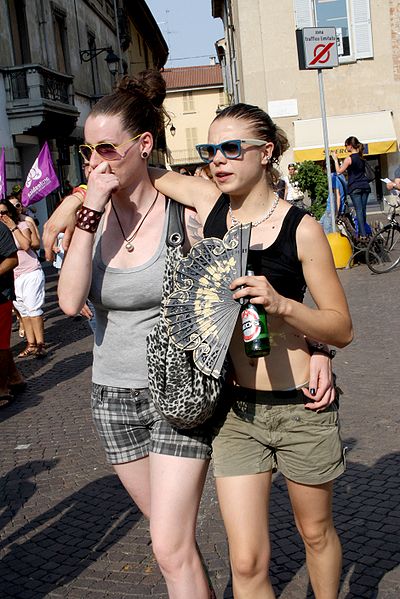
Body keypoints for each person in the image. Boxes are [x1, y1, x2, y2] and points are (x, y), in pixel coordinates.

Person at [44, 70, 336, 599]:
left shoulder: (186, 201)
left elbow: (262, 254)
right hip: (112, 395)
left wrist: (315, 345)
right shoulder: (89, 212)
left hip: (179, 392)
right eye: (86, 152)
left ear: (143, 145)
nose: (94, 163)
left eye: (107, 149)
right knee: (172, 543)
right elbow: (68, 302)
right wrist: (84, 206)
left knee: (166, 544)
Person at [147, 102, 353, 599]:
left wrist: (281, 304)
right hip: (238, 413)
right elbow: (146, 169)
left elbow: (341, 325)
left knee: (314, 533)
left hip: (301, 406)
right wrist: (85, 194)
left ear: (266, 153)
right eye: (210, 150)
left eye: (232, 148)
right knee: (244, 558)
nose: (218, 159)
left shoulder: (299, 228)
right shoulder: (210, 205)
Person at [0, 199, 46, 358]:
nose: (1, 216)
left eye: (4, 212)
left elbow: (26, 245)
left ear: (11, 213)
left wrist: (13, 227)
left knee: (34, 309)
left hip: (30, 272)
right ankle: (31, 344)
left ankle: (40, 344)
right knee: (23, 311)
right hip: (14, 275)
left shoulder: (21, 226)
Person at [0, 216, 26, 407]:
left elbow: (12, 259)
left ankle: (2, 388)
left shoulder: (0, 229)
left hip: (0, 295)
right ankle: (15, 377)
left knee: (0, 343)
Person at [331, 136, 371, 240]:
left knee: (358, 211)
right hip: (365, 186)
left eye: (346, 145)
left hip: (355, 187)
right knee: (363, 210)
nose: (345, 147)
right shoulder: (362, 158)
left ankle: (363, 235)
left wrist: (335, 159)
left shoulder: (349, 159)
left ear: (350, 145)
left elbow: (339, 171)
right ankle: (365, 233)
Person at [319, 157, 347, 234]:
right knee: (319, 226)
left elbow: (337, 196)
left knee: (327, 233)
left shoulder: (333, 178)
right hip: (330, 209)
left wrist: (336, 213)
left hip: (332, 210)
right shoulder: (341, 176)